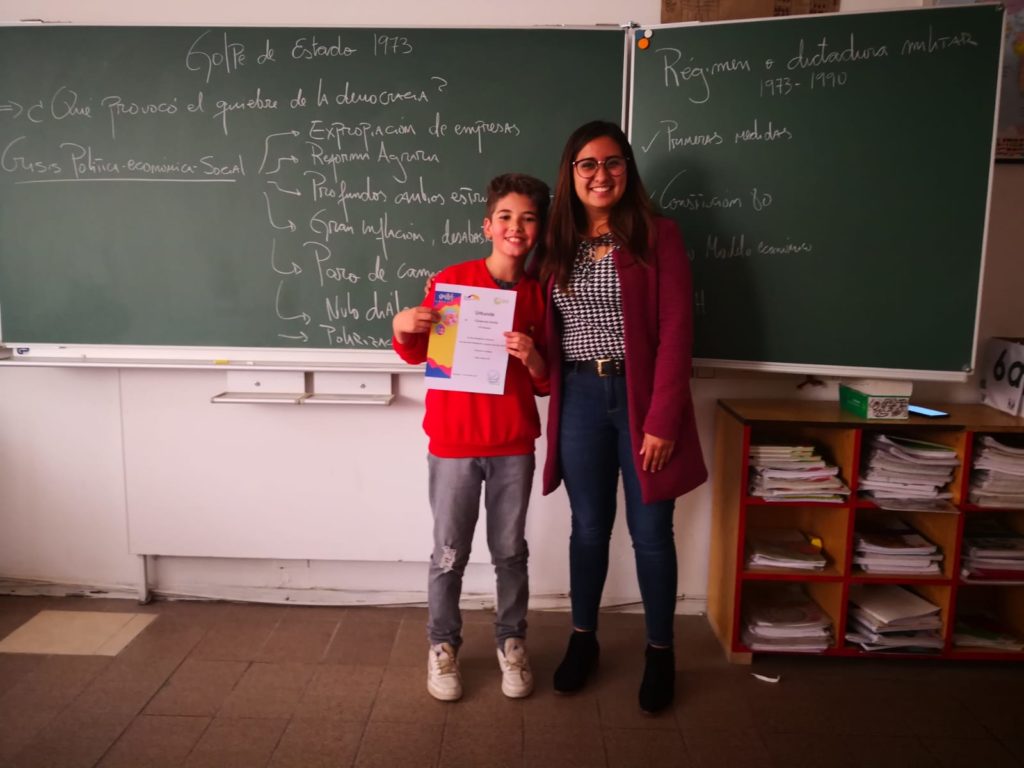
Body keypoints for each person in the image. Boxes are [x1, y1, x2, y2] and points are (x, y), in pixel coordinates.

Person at [537, 121, 707, 713]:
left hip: (640, 399)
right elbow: (522, 309)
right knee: (587, 528)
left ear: (627, 170)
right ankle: (583, 639)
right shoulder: (555, 244)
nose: (601, 174)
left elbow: (677, 332)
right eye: (587, 164)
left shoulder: (658, 235)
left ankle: (660, 651)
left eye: (612, 162)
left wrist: (663, 419)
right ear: (572, 173)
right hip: (580, 398)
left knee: (651, 532)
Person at [392, 172, 550, 702]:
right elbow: (417, 353)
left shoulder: (538, 295)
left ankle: (512, 642)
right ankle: (442, 646)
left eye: (528, 219)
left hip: (512, 446)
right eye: (505, 216)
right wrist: (403, 322)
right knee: (448, 553)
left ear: (538, 229)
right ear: (487, 225)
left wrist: (532, 357)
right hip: (454, 443)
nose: (515, 227)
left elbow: (547, 381)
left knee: (510, 552)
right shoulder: (453, 280)